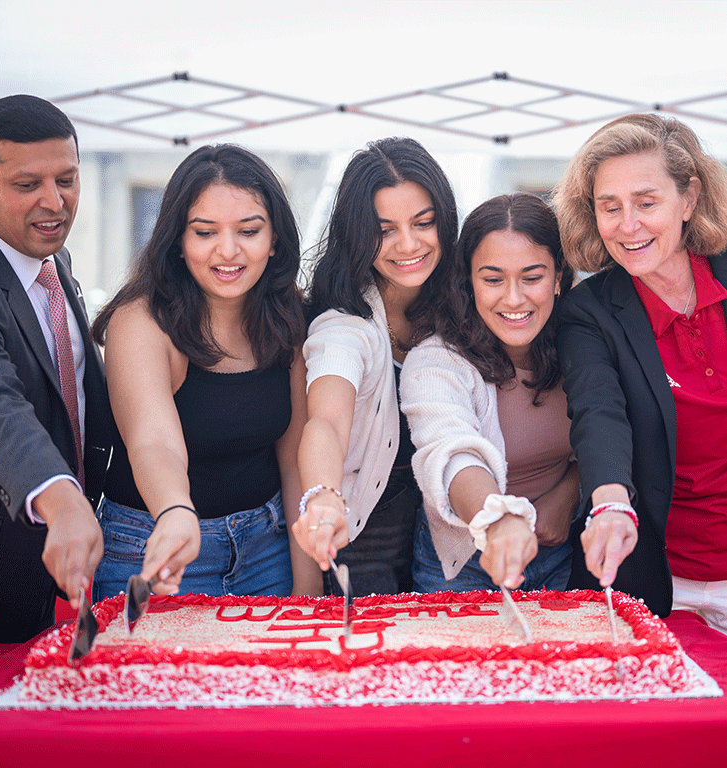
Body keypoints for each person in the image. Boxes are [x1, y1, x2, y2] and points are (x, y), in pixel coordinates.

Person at [91, 144, 317, 601]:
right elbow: (154, 443)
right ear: (178, 239)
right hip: (155, 548)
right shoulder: (141, 321)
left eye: (248, 231)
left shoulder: (288, 313)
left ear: (274, 239)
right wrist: (175, 511)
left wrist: (308, 583)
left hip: (266, 549)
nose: (228, 250)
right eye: (205, 232)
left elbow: (294, 456)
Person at [552, 113, 727, 628]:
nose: (628, 226)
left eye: (646, 203)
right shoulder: (590, 311)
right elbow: (598, 415)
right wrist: (609, 504)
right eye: (610, 207)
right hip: (658, 579)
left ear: (689, 199)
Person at [0, 95, 111, 642]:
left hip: (72, 568)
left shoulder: (53, 257)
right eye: (28, 186)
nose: (55, 203)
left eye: (67, 180)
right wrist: (59, 496)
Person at [292, 137, 461, 596]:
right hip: (361, 544)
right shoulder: (344, 326)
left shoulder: (461, 308)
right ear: (356, 234)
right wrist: (323, 496)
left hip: (449, 545)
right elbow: (325, 422)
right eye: (384, 229)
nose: (408, 244)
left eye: (423, 223)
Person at [400, 193, 578, 592]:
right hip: (464, 561)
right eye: (493, 279)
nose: (514, 299)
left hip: (562, 547)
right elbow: (451, 450)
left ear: (559, 277)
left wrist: (569, 490)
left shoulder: (583, 344)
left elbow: (611, 428)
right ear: (468, 280)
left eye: (532, 277)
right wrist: (500, 521)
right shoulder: (435, 360)